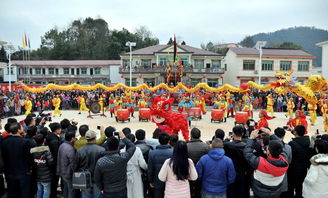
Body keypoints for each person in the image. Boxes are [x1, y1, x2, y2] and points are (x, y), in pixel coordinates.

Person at [243, 130, 289, 198]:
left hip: (259, 192)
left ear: (269, 153)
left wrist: (251, 139)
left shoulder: (260, 163)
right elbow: (281, 145)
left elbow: (247, 153)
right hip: (276, 191)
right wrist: (271, 134)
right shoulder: (285, 161)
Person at [94, 131, 136, 198]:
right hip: (122, 189)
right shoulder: (123, 157)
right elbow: (133, 147)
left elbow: (97, 178)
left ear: (107, 146)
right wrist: (124, 138)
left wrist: (101, 188)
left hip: (108, 190)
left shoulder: (100, 161)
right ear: (118, 147)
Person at [2, 122, 33, 198]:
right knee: (24, 193)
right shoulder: (25, 142)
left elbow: (3, 157)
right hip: (23, 172)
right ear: (19, 130)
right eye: (21, 127)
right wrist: (30, 169)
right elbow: (29, 158)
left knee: (12, 193)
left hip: (9, 172)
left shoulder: (4, 142)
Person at [74, 130, 105, 198]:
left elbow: (75, 166)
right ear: (95, 137)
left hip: (84, 178)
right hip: (98, 179)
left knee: (85, 195)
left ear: (86, 138)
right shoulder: (101, 150)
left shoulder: (80, 150)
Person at [224, 125, 252, 198]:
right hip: (243, 174)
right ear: (242, 134)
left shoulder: (227, 145)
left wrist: (227, 139)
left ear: (232, 134)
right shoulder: (246, 146)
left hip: (230, 174)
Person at [286, 125, 312, 198]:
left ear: (296, 132)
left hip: (292, 170)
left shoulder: (292, 144)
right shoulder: (308, 142)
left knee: (290, 188)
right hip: (303, 169)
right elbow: (299, 137)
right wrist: (292, 131)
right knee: (299, 188)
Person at [148, 132, 173, 198]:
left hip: (157, 181)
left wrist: (150, 181)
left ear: (159, 140)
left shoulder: (152, 153)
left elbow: (150, 169)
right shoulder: (173, 152)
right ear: (168, 141)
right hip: (170, 181)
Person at [187, 128, 209, 198]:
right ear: (200, 135)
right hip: (202, 173)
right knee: (199, 191)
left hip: (189, 172)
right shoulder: (205, 146)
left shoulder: (186, 146)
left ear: (191, 135)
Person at [31, 134, 54, 198]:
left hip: (37, 174)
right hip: (46, 176)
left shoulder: (32, 151)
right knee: (47, 190)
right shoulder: (46, 150)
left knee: (39, 190)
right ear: (44, 140)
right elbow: (51, 162)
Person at [125, 134, 148, 198]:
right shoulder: (137, 149)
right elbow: (143, 164)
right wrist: (147, 169)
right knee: (137, 193)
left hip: (125, 174)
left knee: (128, 193)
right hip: (136, 174)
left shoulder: (122, 151)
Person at [273, 128, 292, 198]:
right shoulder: (288, 147)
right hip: (283, 173)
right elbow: (289, 161)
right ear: (283, 136)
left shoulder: (270, 146)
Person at [57, 131, 76, 198]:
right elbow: (73, 164)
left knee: (65, 189)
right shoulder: (70, 149)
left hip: (62, 172)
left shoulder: (62, 145)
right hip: (69, 173)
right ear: (72, 138)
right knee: (71, 191)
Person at [46, 122, 62, 198]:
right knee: (54, 181)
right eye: (59, 129)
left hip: (49, 162)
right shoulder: (54, 141)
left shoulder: (49, 136)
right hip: (53, 164)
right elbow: (56, 155)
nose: (61, 130)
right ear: (56, 130)